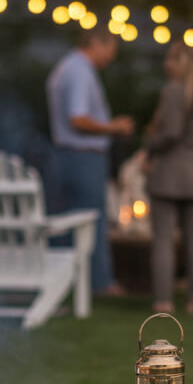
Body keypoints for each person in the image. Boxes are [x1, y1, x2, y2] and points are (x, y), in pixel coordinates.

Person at [46, 28, 135, 294]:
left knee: (69, 220)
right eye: (110, 50)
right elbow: (78, 118)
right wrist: (114, 127)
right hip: (82, 157)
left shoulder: (66, 67)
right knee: (90, 220)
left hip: (68, 155)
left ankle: (67, 282)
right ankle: (99, 283)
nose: (111, 57)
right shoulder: (79, 71)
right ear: (96, 43)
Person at [143, 41, 193, 314]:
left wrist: (149, 144)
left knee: (163, 238)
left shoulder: (173, 91)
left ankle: (163, 299)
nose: (167, 64)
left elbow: (171, 132)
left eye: (173, 59)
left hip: (170, 171)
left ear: (186, 64)